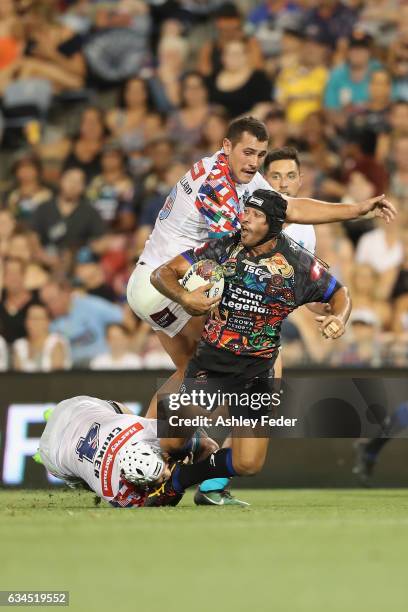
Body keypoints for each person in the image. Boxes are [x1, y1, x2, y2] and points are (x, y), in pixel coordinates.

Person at [127, 115, 394, 420]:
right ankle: (202, 449)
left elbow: (288, 207)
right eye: (248, 153)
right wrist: (304, 278)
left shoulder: (236, 172)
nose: (254, 163)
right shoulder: (216, 189)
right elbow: (240, 249)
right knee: (221, 365)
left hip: (151, 283)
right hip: (168, 283)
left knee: (193, 373)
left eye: (261, 155)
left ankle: (144, 442)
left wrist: (356, 210)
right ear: (227, 146)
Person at [146, 189, 351, 505]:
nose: (245, 219)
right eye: (245, 212)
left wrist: (339, 317)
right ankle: (190, 451)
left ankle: (181, 480)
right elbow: (162, 274)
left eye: (256, 216)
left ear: (274, 224)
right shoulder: (223, 247)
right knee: (171, 443)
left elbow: (340, 294)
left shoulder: (298, 265)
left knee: (248, 464)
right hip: (211, 363)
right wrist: (185, 297)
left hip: (257, 372)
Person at [38, 395, 217, 507]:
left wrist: (186, 450)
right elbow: (159, 501)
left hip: (74, 410)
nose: (169, 472)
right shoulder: (114, 490)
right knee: (83, 482)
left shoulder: (146, 430)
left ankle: (51, 415)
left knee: (126, 414)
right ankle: (43, 448)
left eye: (164, 470)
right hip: (52, 452)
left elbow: (207, 446)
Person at [40, 280, 126, 368]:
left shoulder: (91, 305)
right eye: (46, 303)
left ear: (65, 294)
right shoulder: (50, 323)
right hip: (71, 370)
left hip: (100, 365)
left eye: (52, 300)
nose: (50, 306)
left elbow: (125, 317)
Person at [353, 402, 408, 486]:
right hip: (400, 415)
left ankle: (365, 459)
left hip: (399, 416)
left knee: (378, 442)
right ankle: (365, 468)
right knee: (378, 442)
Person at [13, 303, 71, 372]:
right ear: (25, 321)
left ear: (48, 321)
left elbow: (57, 377)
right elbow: (17, 377)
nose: (34, 322)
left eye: (38, 319)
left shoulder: (56, 342)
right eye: (30, 318)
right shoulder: (20, 345)